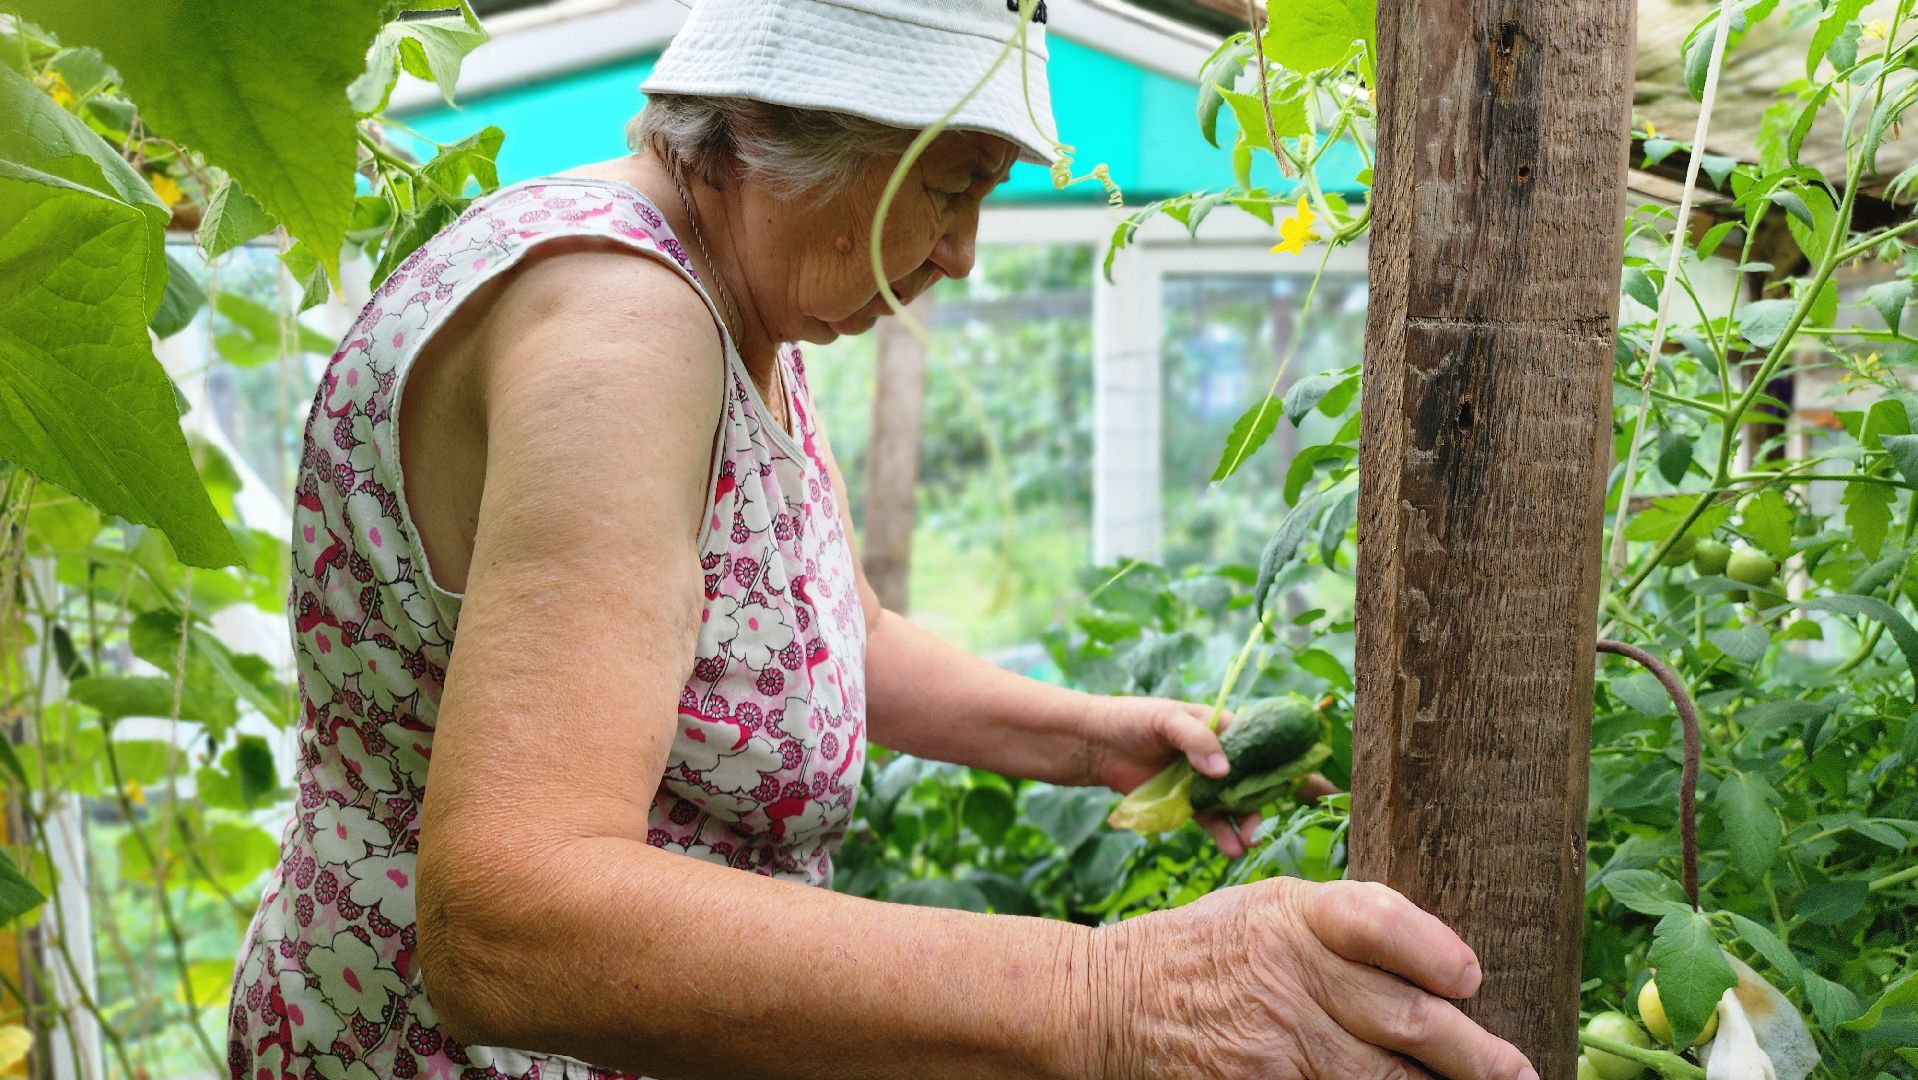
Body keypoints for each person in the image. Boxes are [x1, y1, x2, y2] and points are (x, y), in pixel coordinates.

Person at [226, 1, 1539, 1077]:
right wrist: (1109, 995)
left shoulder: (726, 299)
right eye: (953, 185)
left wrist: (1090, 740)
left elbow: (823, 631)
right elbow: (510, 922)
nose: (962, 253)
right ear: (780, 136)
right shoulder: (621, 331)